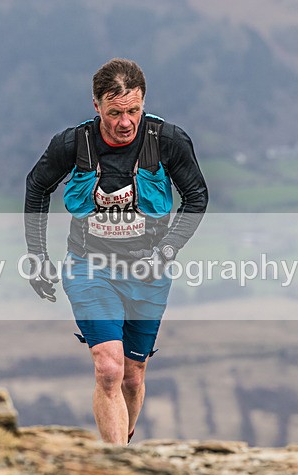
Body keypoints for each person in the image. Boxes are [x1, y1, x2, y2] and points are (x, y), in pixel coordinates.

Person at [24, 58, 209, 445]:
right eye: (114, 112)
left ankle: (125, 439)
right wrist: (37, 256)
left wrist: (168, 249)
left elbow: (197, 196)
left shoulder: (167, 140)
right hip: (90, 266)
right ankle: (116, 460)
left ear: (143, 103)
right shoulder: (72, 144)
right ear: (96, 106)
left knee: (132, 373)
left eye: (133, 111)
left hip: (149, 271)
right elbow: (37, 187)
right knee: (108, 368)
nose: (125, 122)